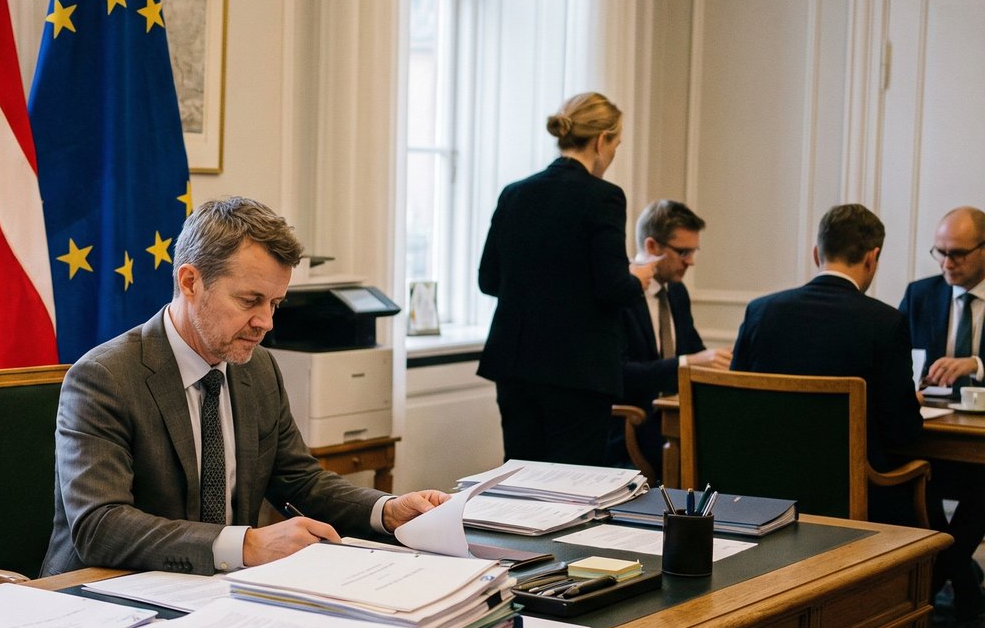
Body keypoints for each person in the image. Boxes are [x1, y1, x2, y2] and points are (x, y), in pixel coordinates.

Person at [41, 196, 448, 576]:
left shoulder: (259, 369)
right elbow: (100, 525)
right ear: (189, 282)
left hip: (221, 592)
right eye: (249, 300)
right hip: (103, 595)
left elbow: (299, 480)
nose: (266, 323)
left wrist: (387, 509)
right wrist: (246, 545)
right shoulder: (104, 378)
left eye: (274, 304)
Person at [477, 92, 656, 465]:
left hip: (515, 364)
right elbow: (612, 287)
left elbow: (488, 280)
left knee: (519, 478)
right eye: (617, 145)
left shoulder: (514, 194)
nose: (613, 155)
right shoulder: (603, 197)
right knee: (571, 487)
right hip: (578, 369)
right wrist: (638, 277)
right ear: (601, 140)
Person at [730, 203, 922, 522]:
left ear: (817, 253)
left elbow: (736, 404)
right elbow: (901, 432)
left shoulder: (761, 312)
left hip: (761, 488)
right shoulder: (886, 322)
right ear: (872, 257)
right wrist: (908, 403)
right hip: (852, 495)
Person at [899, 206, 985, 618]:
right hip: (930, 430)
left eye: (959, 254)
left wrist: (977, 364)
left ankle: (941, 575)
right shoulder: (920, 294)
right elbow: (895, 360)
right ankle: (961, 572)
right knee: (913, 474)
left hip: (980, 441)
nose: (947, 263)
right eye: (941, 252)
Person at [612, 200, 731, 476]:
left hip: (676, 419)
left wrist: (721, 361)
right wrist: (689, 362)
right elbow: (621, 374)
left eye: (693, 251)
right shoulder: (620, 295)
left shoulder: (677, 293)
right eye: (683, 252)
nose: (691, 261)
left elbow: (694, 350)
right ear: (652, 247)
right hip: (634, 423)